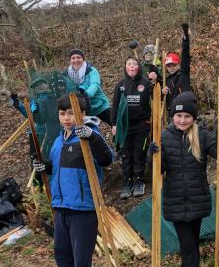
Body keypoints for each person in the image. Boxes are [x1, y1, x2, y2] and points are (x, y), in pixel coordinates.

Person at [32, 92, 115, 267]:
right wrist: (43, 167)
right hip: (61, 205)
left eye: (71, 113)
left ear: (83, 114)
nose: (66, 118)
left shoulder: (90, 135)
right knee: (62, 253)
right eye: (62, 113)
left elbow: (108, 159)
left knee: (81, 257)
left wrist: (91, 137)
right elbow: (58, 169)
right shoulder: (59, 140)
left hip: (83, 207)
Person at [152, 92, 219, 267]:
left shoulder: (202, 135)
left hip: (197, 199)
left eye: (186, 116)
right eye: (178, 115)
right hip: (176, 201)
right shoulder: (164, 136)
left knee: (191, 245)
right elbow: (157, 170)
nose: (182, 120)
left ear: (193, 117)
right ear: (173, 116)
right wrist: (152, 155)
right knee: (189, 248)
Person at [111, 56, 153, 199]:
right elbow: (115, 106)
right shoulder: (120, 85)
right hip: (124, 127)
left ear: (139, 67)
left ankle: (138, 181)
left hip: (142, 125)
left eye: (134, 64)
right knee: (126, 154)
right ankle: (126, 182)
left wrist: (155, 81)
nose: (132, 66)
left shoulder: (146, 83)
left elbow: (156, 98)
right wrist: (114, 125)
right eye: (129, 64)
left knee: (139, 153)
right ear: (125, 67)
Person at [67, 49, 111, 125]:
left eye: (78, 57)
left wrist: (85, 95)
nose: (76, 60)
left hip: (99, 105)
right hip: (83, 109)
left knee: (115, 122)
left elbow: (95, 84)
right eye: (73, 58)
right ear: (70, 60)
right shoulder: (67, 75)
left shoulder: (91, 70)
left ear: (83, 59)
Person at [163, 23, 192, 117]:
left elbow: (185, 55)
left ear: (179, 65)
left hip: (186, 111)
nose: (171, 67)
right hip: (172, 114)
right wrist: (162, 93)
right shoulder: (166, 80)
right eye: (169, 66)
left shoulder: (183, 74)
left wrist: (186, 39)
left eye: (174, 65)